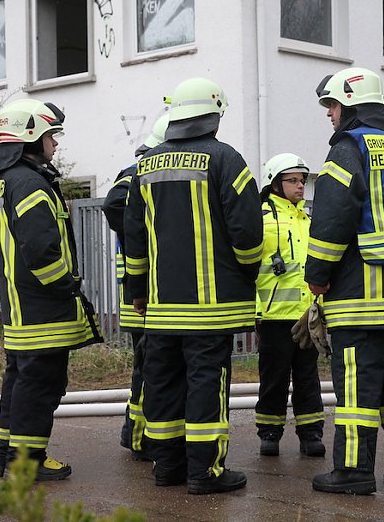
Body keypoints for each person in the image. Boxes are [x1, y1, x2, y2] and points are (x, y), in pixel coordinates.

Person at [123, 77, 263, 494]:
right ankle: (205, 472)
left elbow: (134, 236)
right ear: (213, 116)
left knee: (162, 382)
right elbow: (248, 232)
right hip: (211, 307)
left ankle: (167, 467)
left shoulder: (144, 167)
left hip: (161, 308)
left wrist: (137, 288)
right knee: (206, 383)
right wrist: (245, 272)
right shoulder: (226, 160)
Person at [305, 67, 384, 495]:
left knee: (357, 392)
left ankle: (354, 472)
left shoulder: (348, 149)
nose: (330, 115)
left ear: (351, 106)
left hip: (357, 296)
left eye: (333, 106)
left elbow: (332, 218)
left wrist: (317, 276)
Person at [0, 98, 103, 481]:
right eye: (51, 135)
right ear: (31, 137)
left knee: (20, 382)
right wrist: (65, 287)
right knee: (40, 386)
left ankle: (8, 456)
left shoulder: (6, 181)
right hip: (42, 309)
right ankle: (28, 463)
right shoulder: (30, 183)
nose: (55, 143)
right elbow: (40, 250)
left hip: (19, 307)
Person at [101, 112, 169, 462]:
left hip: (151, 292)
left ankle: (142, 435)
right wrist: (141, 230)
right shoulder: (135, 175)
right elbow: (113, 205)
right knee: (148, 367)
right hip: (142, 295)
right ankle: (141, 438)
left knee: (151, 367)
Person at [255, 152, 325, 458]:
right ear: (275, 183)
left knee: (308, 377)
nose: (300, 186)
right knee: (274, 378)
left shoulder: (308, 220)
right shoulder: (259, 219)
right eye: (293, 180)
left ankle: (310, 433)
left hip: (306, 315)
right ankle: (269, 433)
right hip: (272, 315)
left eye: (303, 180)